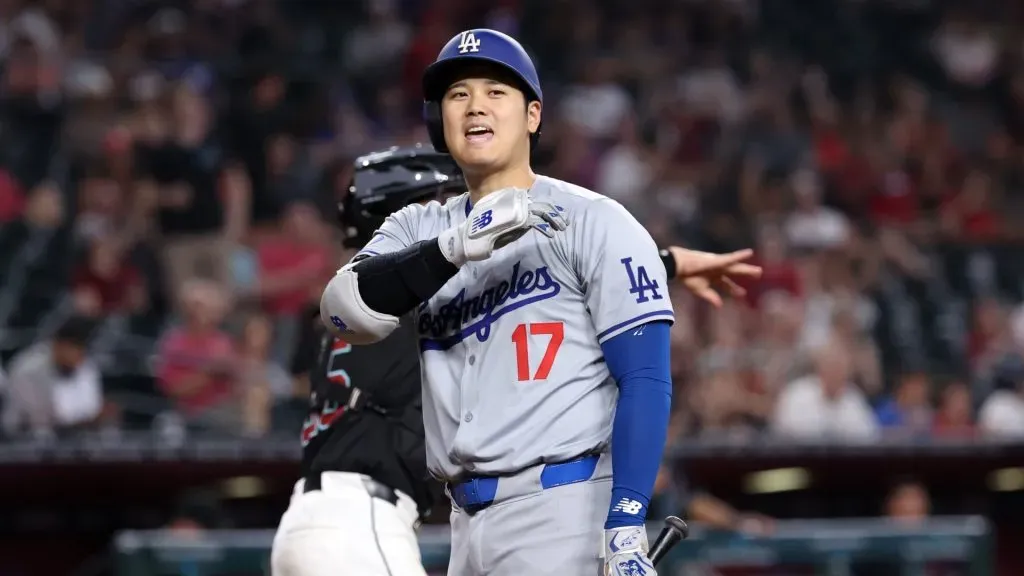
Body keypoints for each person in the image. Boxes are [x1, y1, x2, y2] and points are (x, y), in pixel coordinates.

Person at [319, 29, 759, 576]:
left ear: (532, 115)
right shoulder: (418, 227)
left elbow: (645, 379)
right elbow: (342, 310)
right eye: (458, 95)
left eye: (495, 92)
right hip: (464, 524)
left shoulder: (596, 219)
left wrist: (625, 523)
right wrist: (453, 248)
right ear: (440, 120)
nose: (475, 104)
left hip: (564, 514)